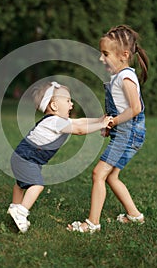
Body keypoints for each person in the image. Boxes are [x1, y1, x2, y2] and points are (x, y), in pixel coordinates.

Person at [68, 24, 149, 233]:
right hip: (124, 133)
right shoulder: (118, 77)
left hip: (128, 134)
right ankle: (134, 215)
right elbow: (121, 108)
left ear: (123, 55)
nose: (101, 59)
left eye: (105, 54)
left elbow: (135, 108)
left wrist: (114, 123)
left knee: (98, 174)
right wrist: (109, 124)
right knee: (111, 176)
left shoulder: (126, 77)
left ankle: (92, 223)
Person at [7, 81, 113, 233]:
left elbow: (80, 122)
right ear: (55, 106)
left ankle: (15, 207)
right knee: (36, 185)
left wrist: (99, 120)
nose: (71, 104)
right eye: (68, 101)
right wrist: (101, 126)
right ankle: (21, 212)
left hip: (22, 157)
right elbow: (79, 130)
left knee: (20, 184)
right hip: (27, 158)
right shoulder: (54, 122)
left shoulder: (58, 121)